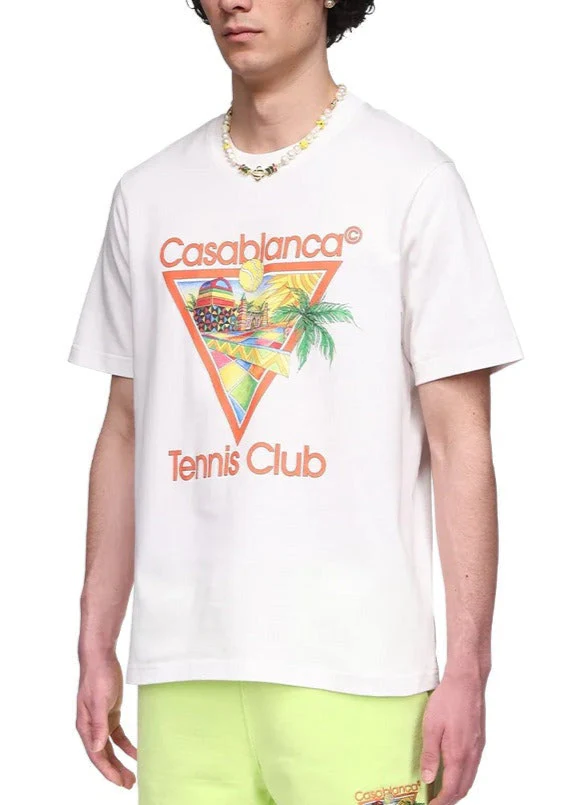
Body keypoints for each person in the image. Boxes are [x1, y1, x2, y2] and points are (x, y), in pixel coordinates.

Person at [68, 1, 523, 804]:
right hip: (184, 667)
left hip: (359, 668)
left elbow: (460, 444)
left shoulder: (410, 179)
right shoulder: (148, 194)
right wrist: (95, 638)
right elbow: (124, 430)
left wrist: (467, 668)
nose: (234, 2)